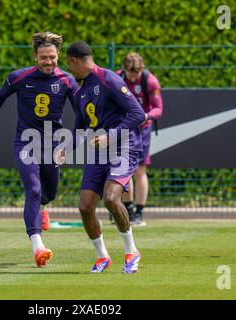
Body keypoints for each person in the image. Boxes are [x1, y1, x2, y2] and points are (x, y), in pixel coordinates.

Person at [0, 32, 78, 267]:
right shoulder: (19, 77)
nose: (48, 62)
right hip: (25, 143)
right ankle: (38, 246)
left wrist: (68, 146)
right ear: (35, 57)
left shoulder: (68, 81)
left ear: (58, 55)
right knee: (33, 189)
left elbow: (81, 115)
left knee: (48, 193)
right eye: (43, 58)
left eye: (52, 57)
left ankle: (44, 208)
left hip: (52, 144)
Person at [59, 41, 146, 273]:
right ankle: (102, 256)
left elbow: (138, 114)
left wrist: (111, 135)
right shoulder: (80, 94)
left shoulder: (109, 79)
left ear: (74, 61)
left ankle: (131, 251)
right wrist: (67, 147)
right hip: (98, 153)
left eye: (68, 65)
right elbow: (80, 129)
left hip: (123, 149)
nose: (69, 70)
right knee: (85, 206)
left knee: (110, 199)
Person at [117, 53, 163, 227]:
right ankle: (126, 210)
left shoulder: (150, 81)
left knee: (140, 171)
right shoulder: (117, 77)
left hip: (142, 131)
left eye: (136, 73)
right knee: (124, 169)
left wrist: (146, 116)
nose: (133, 77)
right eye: (130, 74)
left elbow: (158, 109)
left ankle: (139, 212)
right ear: (124, 69)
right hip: (123, 129)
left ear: (142, 69)